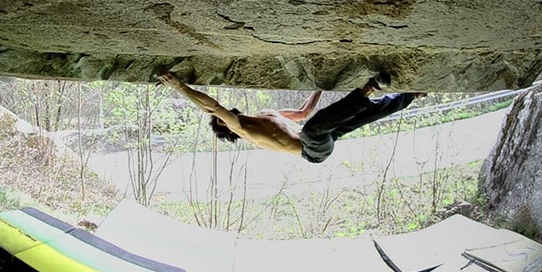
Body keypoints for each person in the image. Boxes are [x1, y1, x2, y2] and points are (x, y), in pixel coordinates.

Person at [158, 71, 425, 163]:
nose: (225, 116)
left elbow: (302, 113)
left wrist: (321, 87)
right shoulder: (244, 130)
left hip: (321, 135)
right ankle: (370, 87)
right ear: (229, 129)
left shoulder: (265, 114)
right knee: (312, 130)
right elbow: (213, 108)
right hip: (313, 151)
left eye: (224, 117)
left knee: (363, 115)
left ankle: (410, 96)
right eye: (223, 121)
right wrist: (180, 87)